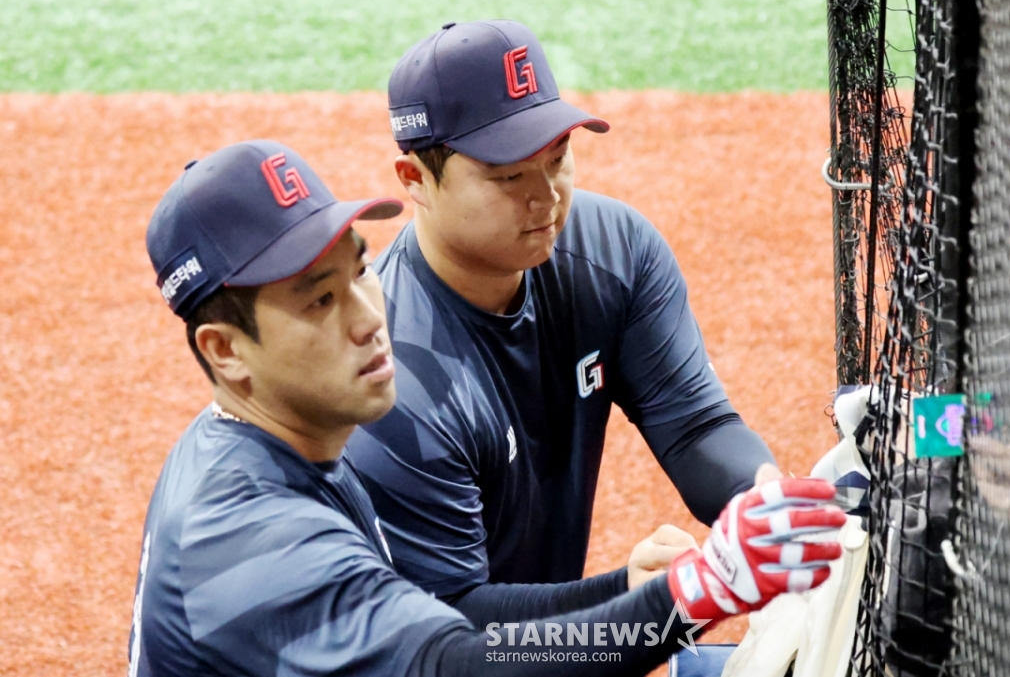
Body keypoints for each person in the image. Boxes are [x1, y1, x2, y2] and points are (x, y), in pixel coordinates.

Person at [128, 139, 848, 676]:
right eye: (319, 299)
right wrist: (697, 591)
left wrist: (631, 592)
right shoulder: (250, 537)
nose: (367, 317)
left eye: (359, 272)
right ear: (225, 351)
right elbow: (468, 664)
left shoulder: (291, 440)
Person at [344, 19, 782, 622]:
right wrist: (640, 599)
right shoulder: (392, 379)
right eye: (508, 176)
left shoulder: (615, 251)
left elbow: (695, 428)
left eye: (558, 158)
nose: (547, 196)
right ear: (416, 180)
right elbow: (451, 636)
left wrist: (767, 505)